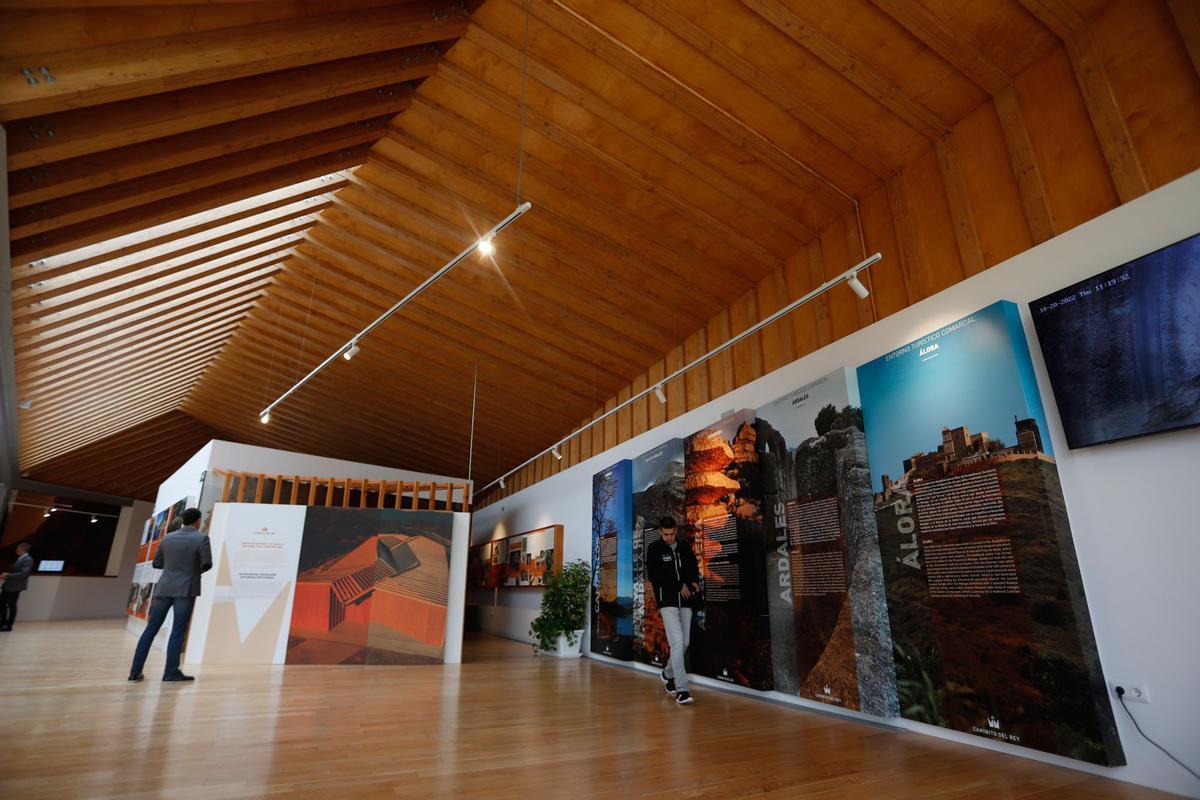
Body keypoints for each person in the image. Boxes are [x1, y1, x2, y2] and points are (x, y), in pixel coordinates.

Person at [128, 508, 212, 683]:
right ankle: (171, 672)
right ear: (197, 520)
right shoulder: (201, 538)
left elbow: (157, 563)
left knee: (150, 630)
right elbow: (207, 564)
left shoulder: (167, 538)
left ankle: (135, 672)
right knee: (177, 631)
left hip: (165, 588)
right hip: (186, 589)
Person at [646, 516, 701, 706]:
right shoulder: (654, 549)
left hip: (686, 601)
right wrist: (678, 585)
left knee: (684, 643)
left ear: (676, 531)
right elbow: (654, 576)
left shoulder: (684, 547)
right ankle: (682, 690)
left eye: (671, 534)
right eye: (665, 534)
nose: (668, 538)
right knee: (677, 641)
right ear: (660, 532)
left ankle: (667, 674)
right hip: (667, 602)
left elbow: (693, 567)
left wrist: (694, 581)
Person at [0, 542, 34, 631]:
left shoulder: (28, 559)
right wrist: (7, 576)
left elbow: (24, 574)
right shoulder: (21, 558)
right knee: (3, 604)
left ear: (21, 549)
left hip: (15, 587)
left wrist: (8, 575)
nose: (16, 550)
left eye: (17, 548)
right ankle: (3, 623)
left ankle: (8, 625)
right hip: (10, 585)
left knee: (11, 605)